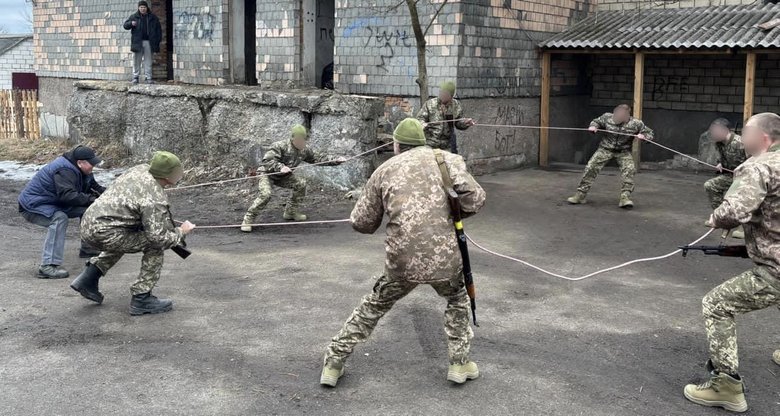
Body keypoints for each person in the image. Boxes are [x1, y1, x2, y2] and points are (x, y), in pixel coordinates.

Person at [320, 118, 486, 387]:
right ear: (422, 141)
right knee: (457, 299)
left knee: (373, 306)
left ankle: (333, 361)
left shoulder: (384, 170)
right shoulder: (447, 160)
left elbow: (362, 223)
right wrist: (451, 214)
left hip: (402, 261)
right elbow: (476, 199)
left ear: (397, 144)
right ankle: (459, 363)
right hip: (445, 259)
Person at [683, 112, 780, 413]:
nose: (743, 137)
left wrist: (714, 217)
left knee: (717, 304)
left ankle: (726, 387)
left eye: (747, 132)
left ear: (762, 138)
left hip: (776, 267)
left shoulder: (758, 166)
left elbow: (732, 213)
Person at [69, 151, 196, 316]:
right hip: (106, 231)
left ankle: (88, 279)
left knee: (127, 237)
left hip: (90, 222)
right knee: (153, 245)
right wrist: (181, 232)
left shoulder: (140, 169)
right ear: (168, 175)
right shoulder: (154, 199)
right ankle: (142, 298)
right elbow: (157, 238)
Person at [18, 145, 105, 279]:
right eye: (91, 164)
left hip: (53, 202)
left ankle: (88, 248)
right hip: (33, 205)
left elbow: (94, 187)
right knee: (59, 218)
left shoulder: (82, 170)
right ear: (80, 163)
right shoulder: (65, 170)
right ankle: (48, 266)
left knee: (89, 209)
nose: (93, 167)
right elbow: (68, 196)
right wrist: (93, 199)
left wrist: (110, 195)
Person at [240, 125, 346, 231]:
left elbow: (318, 158)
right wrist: (280, 167)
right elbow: (267, 161)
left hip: (283, 176)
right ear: (293, 138)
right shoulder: (280, 146)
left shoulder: (305, 150)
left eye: (303, 140)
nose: (301, 143)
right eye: (299, 139)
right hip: (267, 174)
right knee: (266, 194)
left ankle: (290, 211)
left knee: (301, 184)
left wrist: (336, 160)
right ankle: (248, 219)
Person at [567, 104, 654, 209]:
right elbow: (596, 121)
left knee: (630, 170)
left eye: (620, 116)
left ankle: (625, 198)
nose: (616, 118)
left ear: (627, 116)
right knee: (591, 167)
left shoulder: (636, 123)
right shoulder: (607, 117)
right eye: (616, 115)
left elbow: (649, 133)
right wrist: (593, 127)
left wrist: (644, 137)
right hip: (605, 149)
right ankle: (580, 195)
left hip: (623, 151)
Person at [703, 118, 747, 238]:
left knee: (739, 195)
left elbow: (754, 159)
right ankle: (721, 218)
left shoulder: (740, 143)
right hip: (730, 175)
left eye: (715, 132)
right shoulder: (719, 143)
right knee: (710, 185)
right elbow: (722, 157)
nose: (712, 135)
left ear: (725, 130)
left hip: (745, 178)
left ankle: (745, 227)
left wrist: (743, 171)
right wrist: (720, 164)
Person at [416, 81, 475, 154]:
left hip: (447, 145)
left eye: (445, 93)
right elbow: (419, 118)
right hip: (430, 144)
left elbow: (458, 123)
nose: (442, 95)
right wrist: (422, 124)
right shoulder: (430, 104)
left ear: (451, 96)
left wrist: (465, 123)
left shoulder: (456, 105)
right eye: (441, 92)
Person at [123, 1, 162, 85]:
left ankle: (148, 78)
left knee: (148, 60)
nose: (142, 9)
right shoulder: (134, 17)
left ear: (147, 8)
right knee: (136, 60)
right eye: (141, 7)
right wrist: (131, 23)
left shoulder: (153, 17)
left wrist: (157, 41)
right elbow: (125, 25)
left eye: (144, 7)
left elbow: (158, 30)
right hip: (138, 43)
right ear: (138, 8)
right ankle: (135, 77)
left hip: (149, 42)